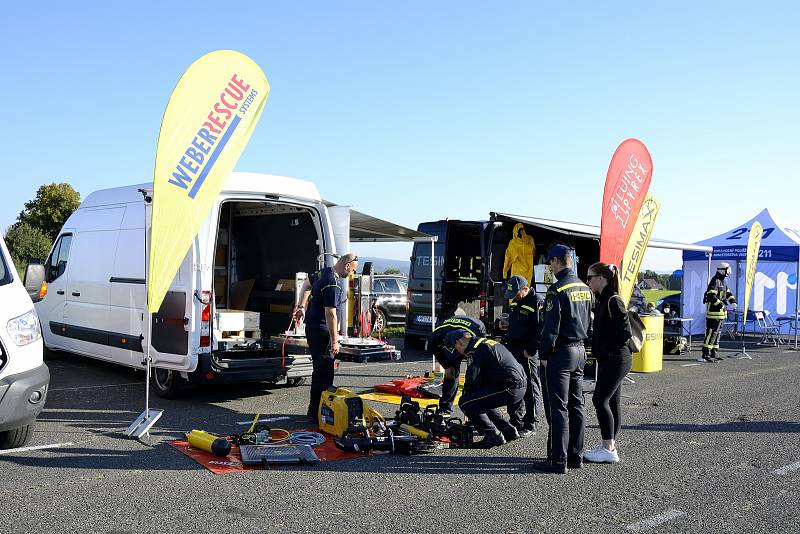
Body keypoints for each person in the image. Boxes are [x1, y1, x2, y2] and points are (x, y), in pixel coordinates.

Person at [531, 244, 592, 474]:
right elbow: (589, 324)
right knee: (577, 405)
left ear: (557, 261)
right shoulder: (584, 287)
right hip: (580, 350)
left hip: (561, 354)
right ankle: (576, 456)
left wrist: (544, 356)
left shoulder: (556, 290)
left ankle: (558, 460)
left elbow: (550, 329)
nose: (549, 267)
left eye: (550, 263)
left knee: (559, 408)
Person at [295, 253, 359, 421]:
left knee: (320, 370)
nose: (350, 275)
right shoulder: (333, 284)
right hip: (322, 332)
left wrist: (301, 306)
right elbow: (331, 314)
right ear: (346, 265)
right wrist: (335, 340)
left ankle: (315, 411)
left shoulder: (323, 273)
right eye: (352, 271)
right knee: (324, 373)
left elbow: (306, 285)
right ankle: (317, 413)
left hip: (313, 328)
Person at [584, 262, 632, 464]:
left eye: (589, 277)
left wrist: (606, 347)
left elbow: (625, 333)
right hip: (610, 358)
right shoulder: (602, 300)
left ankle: (608, 449)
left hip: (616, 359)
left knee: (599, 400)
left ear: (601, 278)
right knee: (612, 402)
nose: (587, 281)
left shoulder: (613, 300)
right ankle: (609, 444)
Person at [446, 329, 526, 448]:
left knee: (466, 401)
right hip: (519, 386)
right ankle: (508, 430)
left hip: (509, 388)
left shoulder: (475, 351)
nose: (458, 352)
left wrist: (468, 404)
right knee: (480, 399)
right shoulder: (485, 342)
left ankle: (493, 435)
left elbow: (471, 380)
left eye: (455, 348)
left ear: (459, 342)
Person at [498, 274, 543, 437]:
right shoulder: (516, 300)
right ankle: (516, 420)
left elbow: (541, 329)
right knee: (513, 384)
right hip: (512, 348)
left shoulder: (537, 301)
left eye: (516, 294)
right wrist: (505, 326)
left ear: (525, 289)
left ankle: (531, 422)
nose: (513, 298)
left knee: (531, 386)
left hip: (527, 351)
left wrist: (531, 350)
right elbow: (516, 322)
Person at [428, 315, 487, 415]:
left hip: (474, 330)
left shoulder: (475, 338)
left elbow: (473, 375)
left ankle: (474, 409)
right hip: (452, 330)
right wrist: (446, 366)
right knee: (451, 372)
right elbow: (437, 352)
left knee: (474, 375)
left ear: (459, 343)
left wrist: (468, 408)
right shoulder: (435, 338)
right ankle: (445, 408)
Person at [701, 262, 736, 363]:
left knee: (718, 333)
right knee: (711, 333)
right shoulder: (715, 281)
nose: (728, 272)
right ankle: (705, 354)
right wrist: (721, 304)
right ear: (722, 270)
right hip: (713, 313)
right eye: (727, 269)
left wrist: (733, 301)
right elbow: (711, 296)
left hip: (721, 314)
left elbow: (727, 292)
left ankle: (714, 352)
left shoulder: (722, 281)